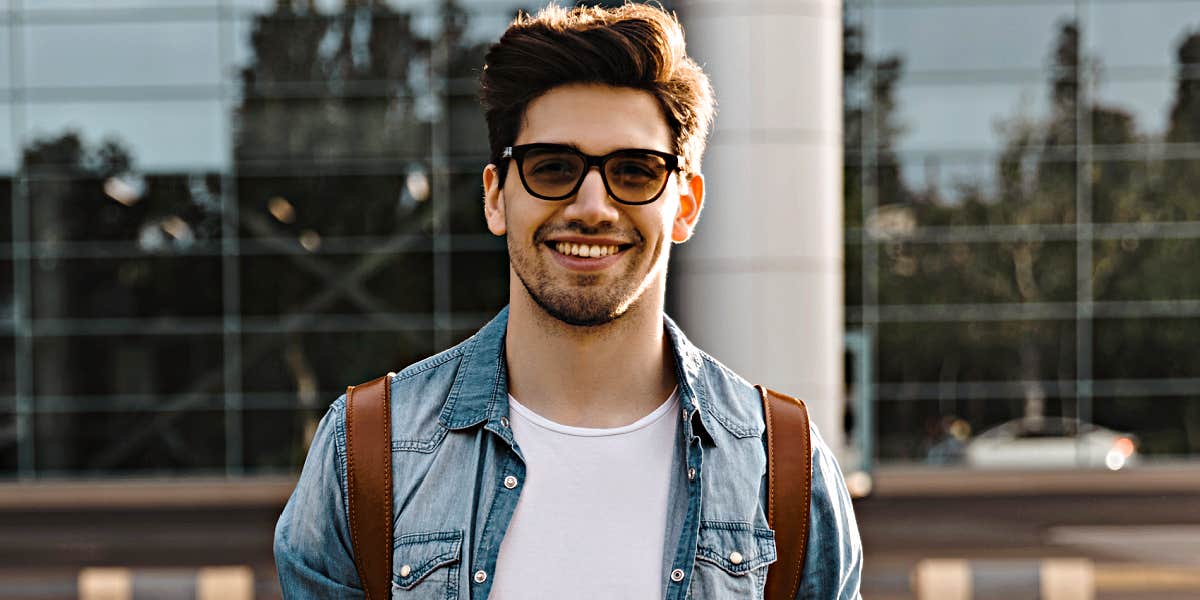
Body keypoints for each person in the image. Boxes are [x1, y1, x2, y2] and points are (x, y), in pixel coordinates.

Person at [274, 4, 862, 598]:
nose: (592, 206)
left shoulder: (782, 466)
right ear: (496, 197)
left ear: (684, 205)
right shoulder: (369, 452)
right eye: (553, 167)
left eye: (635, 171)